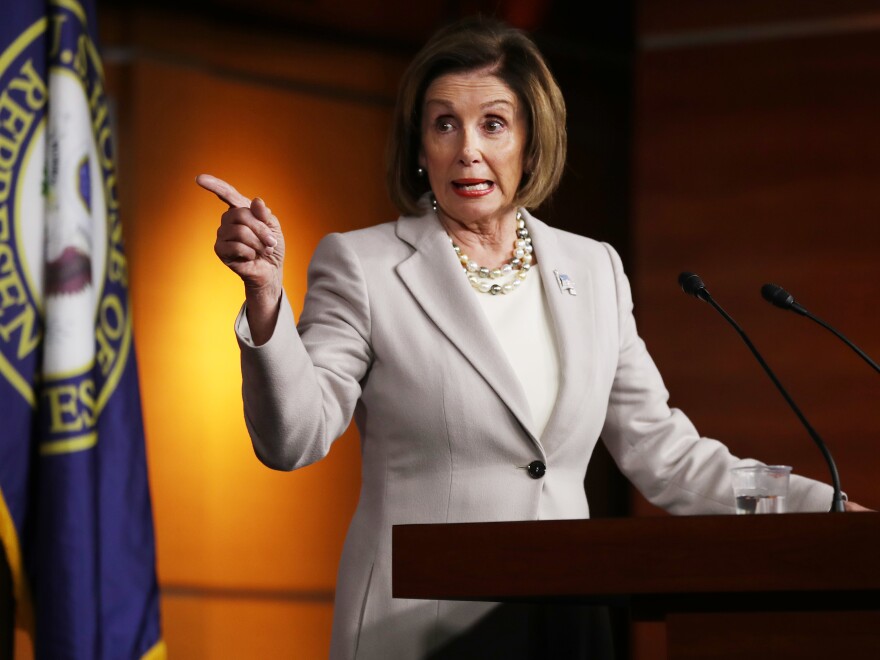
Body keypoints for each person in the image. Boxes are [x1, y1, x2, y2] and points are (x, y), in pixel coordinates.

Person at [196, 15, 869, 660]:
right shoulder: (365, 266)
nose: (468, 149)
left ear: (531, 140)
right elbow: (293, 438)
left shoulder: (594, 268)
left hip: (564, 623)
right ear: (418, 147)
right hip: (424, 628)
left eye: (493, 123)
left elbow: (666, 454)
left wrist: (829, 511)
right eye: (444, 125)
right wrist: (266, 298)